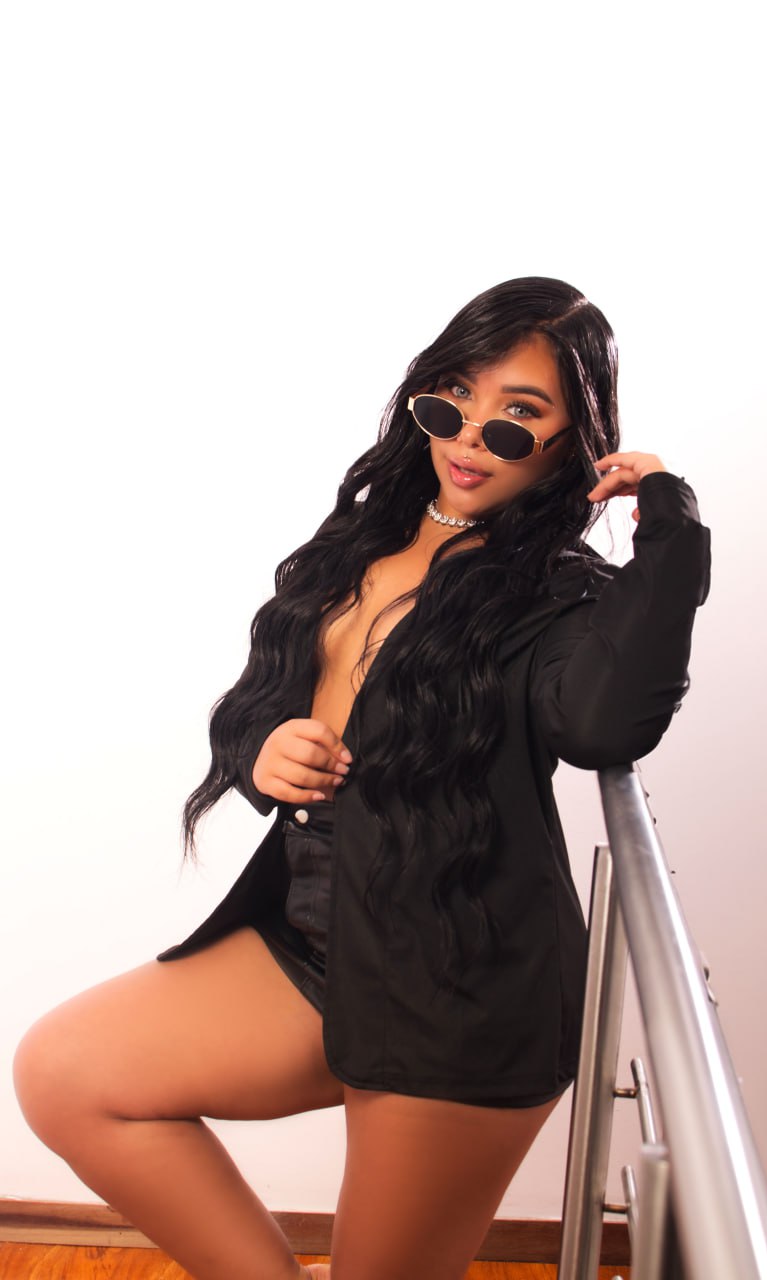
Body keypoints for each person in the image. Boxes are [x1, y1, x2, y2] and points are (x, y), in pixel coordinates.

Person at [14, 277, 710, 1280]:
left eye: (517, 416)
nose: (469, 438)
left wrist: (670, 528)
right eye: (453, 398)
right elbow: (256, 699)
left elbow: (604, 725)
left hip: (458, 977)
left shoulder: (559, 597)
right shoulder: (363, 542)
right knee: (66, 1073)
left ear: (572, 443)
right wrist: (264, 749)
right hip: (316, 933)